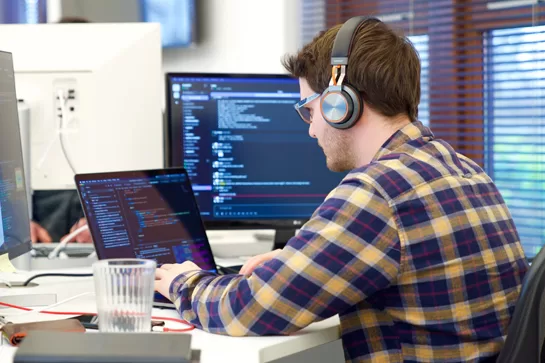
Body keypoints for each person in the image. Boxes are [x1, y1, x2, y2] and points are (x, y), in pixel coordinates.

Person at [154, 17, 528, 362]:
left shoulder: (378, 192)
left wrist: (182, 281)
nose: (311, 129)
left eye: (309, 109)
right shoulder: (466, 169)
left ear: (339, 104)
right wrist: (292, 266)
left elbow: (244, 310)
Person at [30, 15, 92, 244]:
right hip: (33, 255)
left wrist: (110, 220)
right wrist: (9, 224)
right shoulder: (19, 118)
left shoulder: (141, 124)